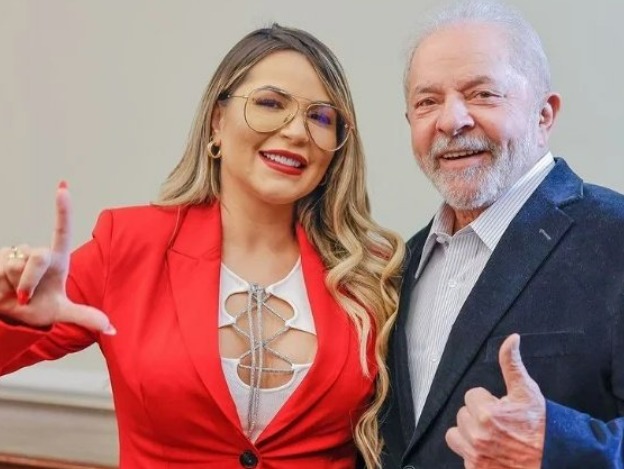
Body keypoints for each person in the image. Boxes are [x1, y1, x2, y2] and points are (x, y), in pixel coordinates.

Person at [0, 24, 404, 469]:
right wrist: (11, 314)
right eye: (271, 103)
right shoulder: (129, 245)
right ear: (217, 122)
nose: (296, 131)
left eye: (321, 117)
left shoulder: (370, 276)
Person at [380, 1, 624, 468]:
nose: (451, 121)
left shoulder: (614, 238)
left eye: (483, 94)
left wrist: (555, 447)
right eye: (427, 102)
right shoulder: (397, 266)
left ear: (544, 115)